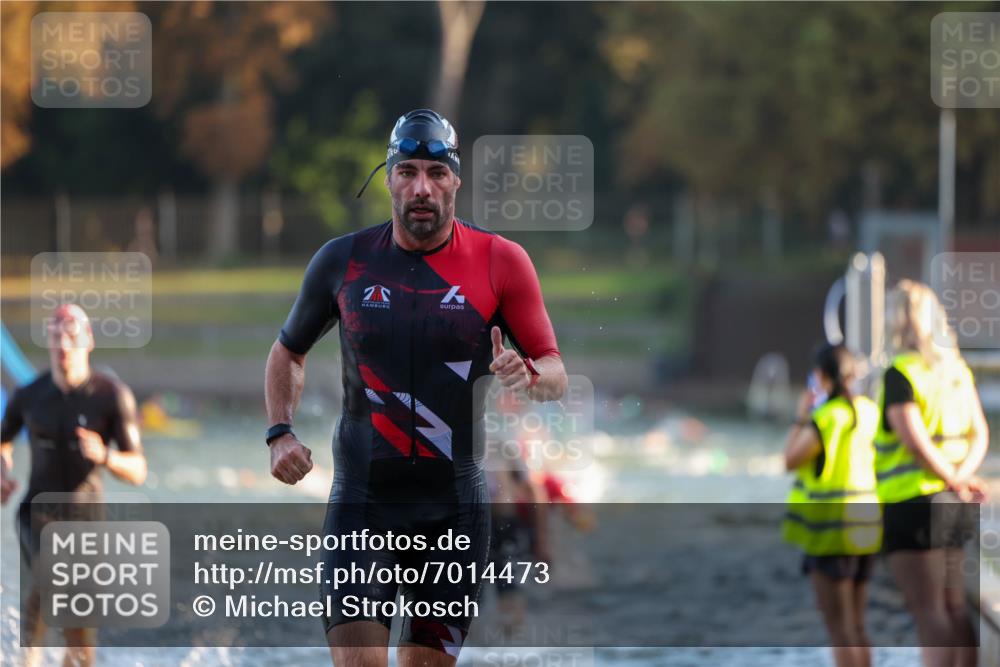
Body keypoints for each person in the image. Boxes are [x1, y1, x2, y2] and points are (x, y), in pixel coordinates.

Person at [264, 108, 567, 667]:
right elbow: (288, 351)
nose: (421, 188)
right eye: (407, 172)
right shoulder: (343, 260)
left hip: (453, 511)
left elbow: (554, 372)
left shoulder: (501, 262)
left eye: (435, 172)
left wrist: (529, 375)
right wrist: (280, 432)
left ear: (456, 180)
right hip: (363, 505)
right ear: (388, 179)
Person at [0, 304, 147, 667]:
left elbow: (138, 470)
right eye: (55, 337)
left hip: (87, 517)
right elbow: (2, 443)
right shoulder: (29, 396)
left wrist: (105, 456)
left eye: (71, 336)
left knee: (81, 633)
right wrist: (2, 472)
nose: (63, 345)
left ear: (88, 340)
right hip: (37, 511)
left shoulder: (110, 395)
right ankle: (27, 660)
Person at [874, 280, 989, 667]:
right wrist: (962, 478)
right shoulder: (956, 371)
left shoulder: (900, 373)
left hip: (914, 502)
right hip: (955, 501)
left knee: (928, 610)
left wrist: (951, 479)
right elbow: (979, 434)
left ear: (895, 321)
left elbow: (915, 443)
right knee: (955, 607)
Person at [782, 343, 881, 667]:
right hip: (867, 527)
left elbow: (790, 459)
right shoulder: (869, 411)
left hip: (831, 533)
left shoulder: (827, 417)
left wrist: (801, 415)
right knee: (858, 625)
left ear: (820, 376)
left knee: (840, 630)